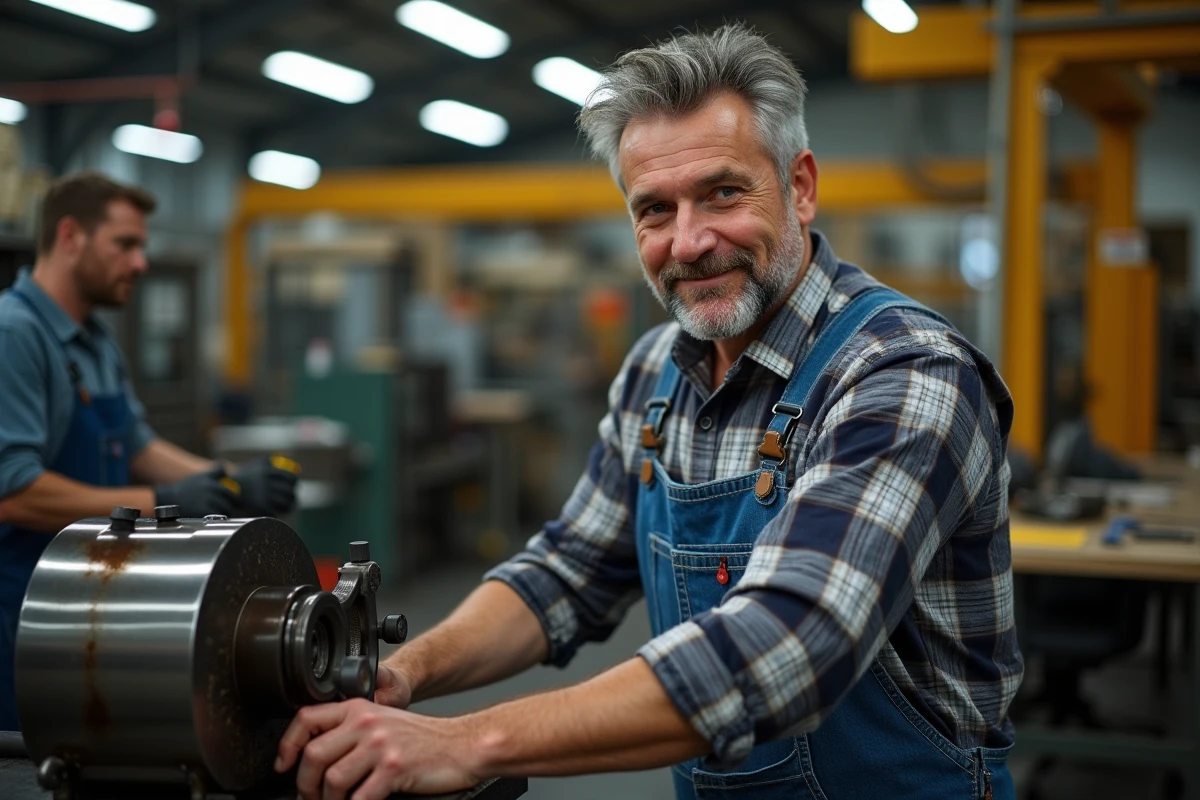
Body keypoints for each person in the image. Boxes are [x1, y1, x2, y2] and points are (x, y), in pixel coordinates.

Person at [276, 24, 1023, 800]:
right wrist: (403, 674)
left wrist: (470, 742)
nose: (689, 242)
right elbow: (568, 573)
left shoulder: (902, 372)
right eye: (655, 210)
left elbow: (792, 641)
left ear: (799, 186)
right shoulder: (653, 372)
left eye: (723, 193)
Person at [0, 171, 299, 730]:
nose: (140, 262)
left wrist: (232, 481)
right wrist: (161, 501)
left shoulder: (94, 338)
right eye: (125, 244)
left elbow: (137, 446)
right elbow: (14, 492)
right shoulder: (15, 334)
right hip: (23, 610)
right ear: (70, 237)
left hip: (87, 600)